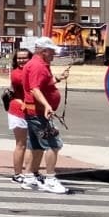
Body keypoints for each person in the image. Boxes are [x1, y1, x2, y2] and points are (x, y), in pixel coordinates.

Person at [20, 36, 71, 194]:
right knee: (53, 144)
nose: (53, 55)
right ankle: (50, 179)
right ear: (44, 51)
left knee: (36, 145)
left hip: (35, 112)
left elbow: (43, 85)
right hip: (39, 113)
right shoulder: (37, 66)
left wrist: (57, 79)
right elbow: (35, 89)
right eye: (51, 52)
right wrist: (47, 105)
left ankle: (29, 177)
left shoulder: (39, 64)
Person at [5, 46, 33, 184]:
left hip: (31, 110)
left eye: (25, 58)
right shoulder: (18, 73)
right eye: (19, 58)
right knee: (22, 144)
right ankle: (18, 174)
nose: (22, 60)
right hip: (19, 110)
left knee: (31, 144)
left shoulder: (30, 71)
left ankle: (29, 173)